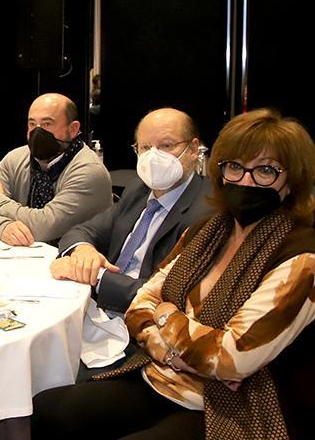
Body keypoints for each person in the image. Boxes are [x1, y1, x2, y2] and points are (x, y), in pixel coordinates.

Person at [31, 109, 315, 440]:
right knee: (47, 410)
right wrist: (178, 341)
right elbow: (141, 306)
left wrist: (167, 320)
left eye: (265, 171)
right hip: (164, 377)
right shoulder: (211, 229)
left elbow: (230, 358)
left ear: (291, 179)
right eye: (234, 168)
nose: (245, 181)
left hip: (235, 406)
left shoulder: (299, 257)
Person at [52, 108, 211, 314]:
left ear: (193, 149)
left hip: (141, 326)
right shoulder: (139, 189)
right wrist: (84, 252)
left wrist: (96, 276)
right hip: (97, 307)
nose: (154, 156)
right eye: (145, 147)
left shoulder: (207, 210)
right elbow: (81, 231)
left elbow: (170, 295)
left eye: (166, 145)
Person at [0, 93, 111, 246]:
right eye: (32, 124)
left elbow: (43, 227)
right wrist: (3, 227)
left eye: (47, 124)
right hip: (23, 255)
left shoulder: (89, 171)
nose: (37, 132)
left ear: (73, 129)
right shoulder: (14, 159)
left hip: (76, 260)